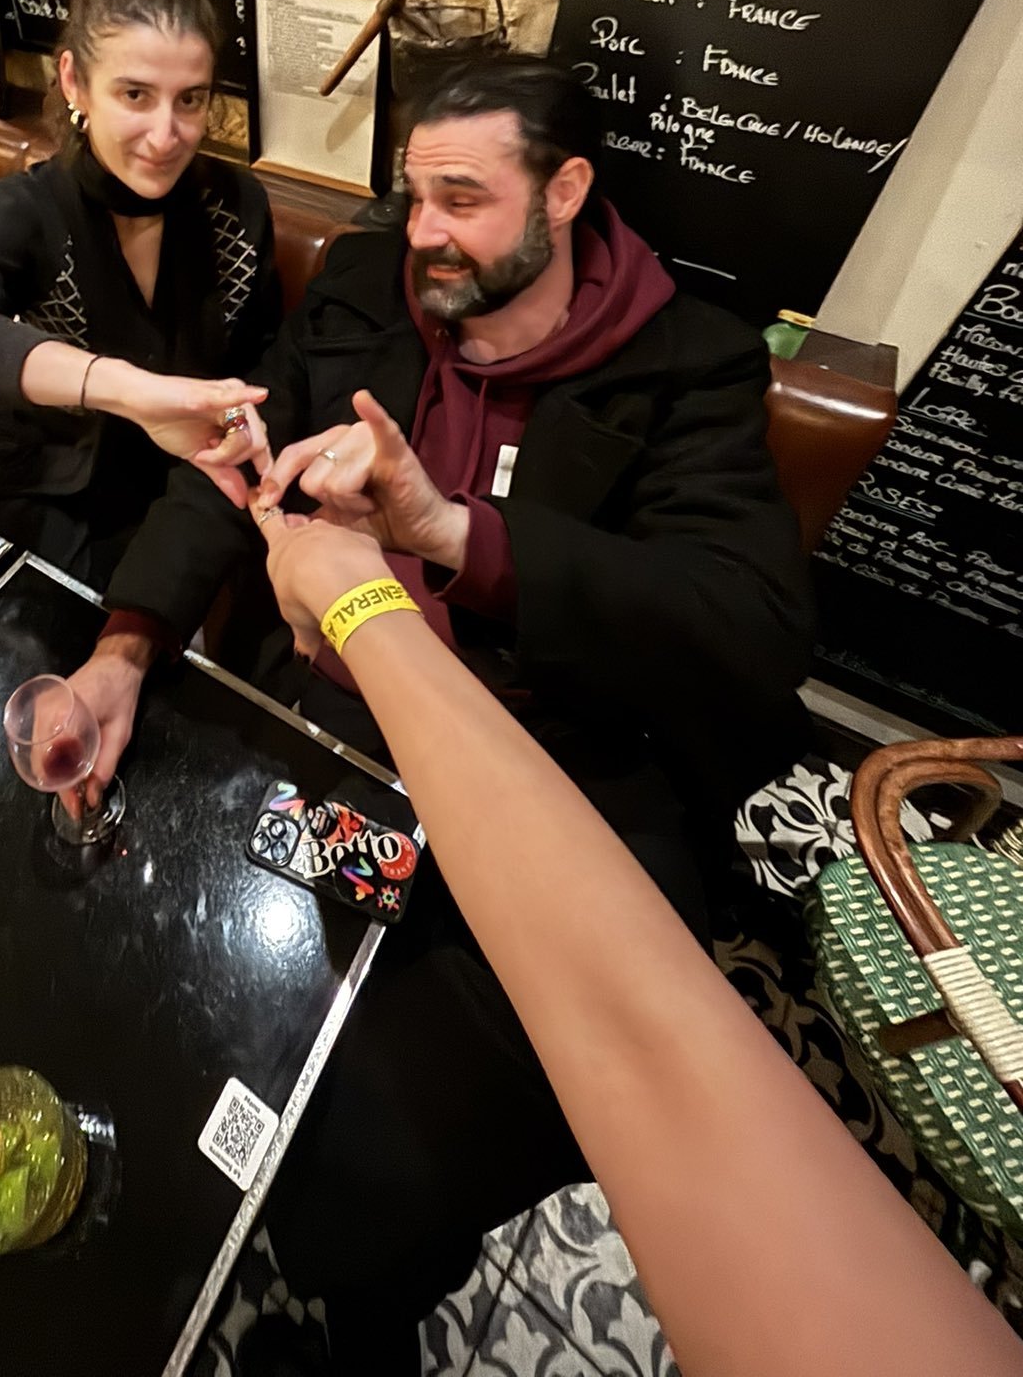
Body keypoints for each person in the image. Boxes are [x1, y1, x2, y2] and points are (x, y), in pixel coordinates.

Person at [66, 50, 814, 1366]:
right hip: (339, 731)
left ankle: (368, 1311)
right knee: (166, 981)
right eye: (415, 196)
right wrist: (125, 647)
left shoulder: (686, 363)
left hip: (557, 773)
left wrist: (455, 531)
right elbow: (232, 467)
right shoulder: (369, 284)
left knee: (393, 1156)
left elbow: (748, 630)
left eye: (462, 199)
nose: (423, 233)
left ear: (565, 191)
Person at [252, 508, 1022, 1377]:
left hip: (581, 758)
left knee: (393, 1134)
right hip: (369, 731)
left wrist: (379, 588)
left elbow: (645, 1044)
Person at [0, 0, 281, 589]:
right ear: (74, 83)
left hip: (168, 489)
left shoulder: (235, 207)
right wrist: (122, 387)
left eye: (190, 100)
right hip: (33, 490)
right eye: (135, 95)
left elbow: (261, 359)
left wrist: (239, 421)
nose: (166, 134)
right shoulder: (29, 209)